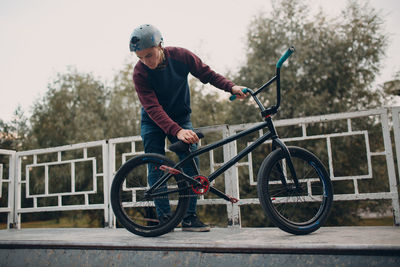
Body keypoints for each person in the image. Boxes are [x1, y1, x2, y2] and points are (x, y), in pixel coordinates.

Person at [129, 24, 248, 232]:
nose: (146, 62)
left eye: (149, 55)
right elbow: (152, 107)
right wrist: (176, 131)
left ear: (160, 45)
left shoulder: (181, 56)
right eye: (141, 58)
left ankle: (190, 218)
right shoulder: (140, 73)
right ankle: (165, 219)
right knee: (156, 165)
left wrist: (231, 86)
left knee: (190, 162)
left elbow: (207, 74)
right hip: (153, 121)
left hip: (180, 117)